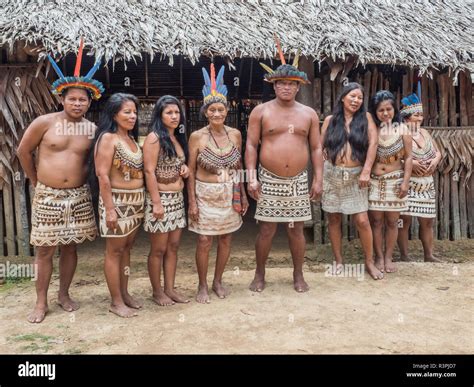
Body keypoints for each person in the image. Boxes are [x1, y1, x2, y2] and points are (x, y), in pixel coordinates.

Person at [17, 41, 103, 323]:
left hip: (78, 195)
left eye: (83, 100)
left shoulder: (92, 130)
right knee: (45, 249)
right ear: (61, 99)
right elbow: (23, 151)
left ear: (89, 102)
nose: (77, 104)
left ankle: (63, 294)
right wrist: (35, 179)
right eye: (72, 99)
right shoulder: (45, 122)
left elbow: (99, 162)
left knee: (71, 246)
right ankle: (40, 302)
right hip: (48, 195)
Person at [246, 44, 323, 293]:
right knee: (266, 228)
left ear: (298, 86)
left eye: (291, 83)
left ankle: (298, 274)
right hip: (268, 178)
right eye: (281, 83)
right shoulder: (261, 111)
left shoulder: (308, 114)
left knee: (295, 228)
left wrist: (318, 179)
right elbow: (250, 145)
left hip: (298, 179)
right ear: (274, 85)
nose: (286, 87)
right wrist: (251, 177)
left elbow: (316, 149)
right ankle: (260, 274)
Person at [187, 64, 249, 303]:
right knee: (204, 240)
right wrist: (192, 202)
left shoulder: (235, 135)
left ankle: (217, 281)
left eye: (220, 110)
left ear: (226, 110)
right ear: (205, 112)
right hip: (205, 194)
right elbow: (191, 172)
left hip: (229, 192)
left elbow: (239, 166)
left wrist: (242, 194)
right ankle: (202, 284)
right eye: (212, 110)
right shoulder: (197, 137)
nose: (216, 114)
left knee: (226, 238)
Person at [321, 82, 383, 280]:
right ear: (343, 97)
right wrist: (322, 170)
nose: (356, 100)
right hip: (332, 175)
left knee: (362, 220)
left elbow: (373, 143)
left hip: (357, 175)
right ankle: (339, 260)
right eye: (352, 96)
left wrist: (366, 170)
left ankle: (369, 262)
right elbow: (319, 147)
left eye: (359, 98)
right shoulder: (330, 120)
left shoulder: (366, 119)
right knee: (334, 218)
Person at [93, 93, 145, 318]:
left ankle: (124, 293)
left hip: (136, 202)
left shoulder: (132, 139)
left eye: (134, 112)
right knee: (114, 251)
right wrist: (110, 209)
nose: (132, 116)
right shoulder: (108, 138)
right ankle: (115, 301)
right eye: (127, 112)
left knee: (126, 250)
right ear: (114, 114)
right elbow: (102, 175)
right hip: (117, 202)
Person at [143, 95, 190, 306]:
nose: (174, 116)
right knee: (159, 249)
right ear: (160, 115)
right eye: (169, 113)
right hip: (160, 199)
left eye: (177, 112)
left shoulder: (177, 138)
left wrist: (185, 169)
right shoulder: (154, 138)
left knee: (173, 247)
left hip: (177, 199)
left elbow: (178, 165)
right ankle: (157, 291)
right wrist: (156, 203)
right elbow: (149, 171)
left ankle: (170, 288)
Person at [368, 90, 412, 274]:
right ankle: (378, 256)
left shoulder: (403, 129)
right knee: (376, 222)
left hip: (395, 181)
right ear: (375, 112)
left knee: (393, 222)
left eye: (389, 109)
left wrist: (405, 182)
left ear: (395, 109)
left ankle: (388, 257)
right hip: (375, 181)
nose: (385, 113)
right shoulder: (372, 129)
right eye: (380, 110)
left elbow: (409, 157)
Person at [397, 91, 442, 262]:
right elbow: (392, 157)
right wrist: (410, 164)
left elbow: (438, 152)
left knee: (428, 221)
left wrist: (435, 161)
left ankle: (428, 255)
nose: (420, 118)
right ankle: (404, 255)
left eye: (421, 114)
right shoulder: (400, 132)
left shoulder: (425, 132)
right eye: (416, 115)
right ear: (407, 117)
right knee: (404, 221)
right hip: (409, 183)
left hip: (427, 183)